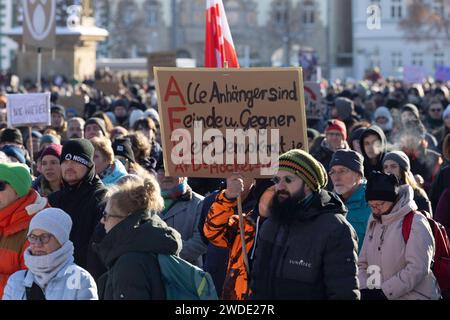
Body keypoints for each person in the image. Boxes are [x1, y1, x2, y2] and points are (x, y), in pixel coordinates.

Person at [250, 149, 359, 300]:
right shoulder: (270, 225)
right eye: (276, 180)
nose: (280, 187)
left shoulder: (335, 229)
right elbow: (257, 284)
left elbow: (344, 293)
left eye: (288, 180)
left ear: (308, 184)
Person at [95, 175, 182, 300]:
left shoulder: (129, 262)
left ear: (125, 219)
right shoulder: (152, 243)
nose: (102, 221)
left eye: (106, 215)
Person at [358, 172, 441, 300]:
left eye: (379, 205)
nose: (375, 210)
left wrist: (385, 292)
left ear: (393, 200)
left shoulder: (416, 221)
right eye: (371, 205)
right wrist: (368, 290)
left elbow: (417, 268)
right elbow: (363, 264)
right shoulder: (374, 221)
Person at [2, 208, 98, 300]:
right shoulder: (15, 281)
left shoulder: (81, 280)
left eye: (44, 237)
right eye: (33, 237)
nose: (38, 244)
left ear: (61, 240)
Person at [203, 175, 273, 300]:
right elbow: (212, 232)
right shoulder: (242, 224)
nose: (277, 194)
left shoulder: (290, 228)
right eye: (273, 189)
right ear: (261, 194)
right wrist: (228, 197)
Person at [48, 139, 107, 273]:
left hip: (86, 278)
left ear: (89, 165)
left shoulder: (102, 199)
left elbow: (97, 250)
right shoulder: (53, 200)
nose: (69, 166)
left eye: (76, 161)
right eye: (65, 161)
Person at [0, 163, 49, 298]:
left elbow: (33, 286)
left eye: (0, 186)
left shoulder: (38, 228)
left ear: (17, 190)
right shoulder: (3, 214)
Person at [156, 162, 207, 267]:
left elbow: (200, 242)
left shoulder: (200, 203)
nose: (167, 175)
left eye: (173, 170)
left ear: (184, 174)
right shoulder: (145, 202)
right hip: (152, 274)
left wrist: (166, 255)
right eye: (162, 170)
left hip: (185, 275)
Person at [329, 150, 371, 253]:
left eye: (342, 171)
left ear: (358, 175)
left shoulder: (373, 203)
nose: (336, 177)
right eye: (332, 172)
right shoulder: (328, 204)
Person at [398, 119, 442, 191]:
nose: (410, 138)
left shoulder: (435, 158)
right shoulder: (397, 157)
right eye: (407, 134)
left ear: (421, 137)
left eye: (414, 134)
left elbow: (438, 186)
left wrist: (422, 183)